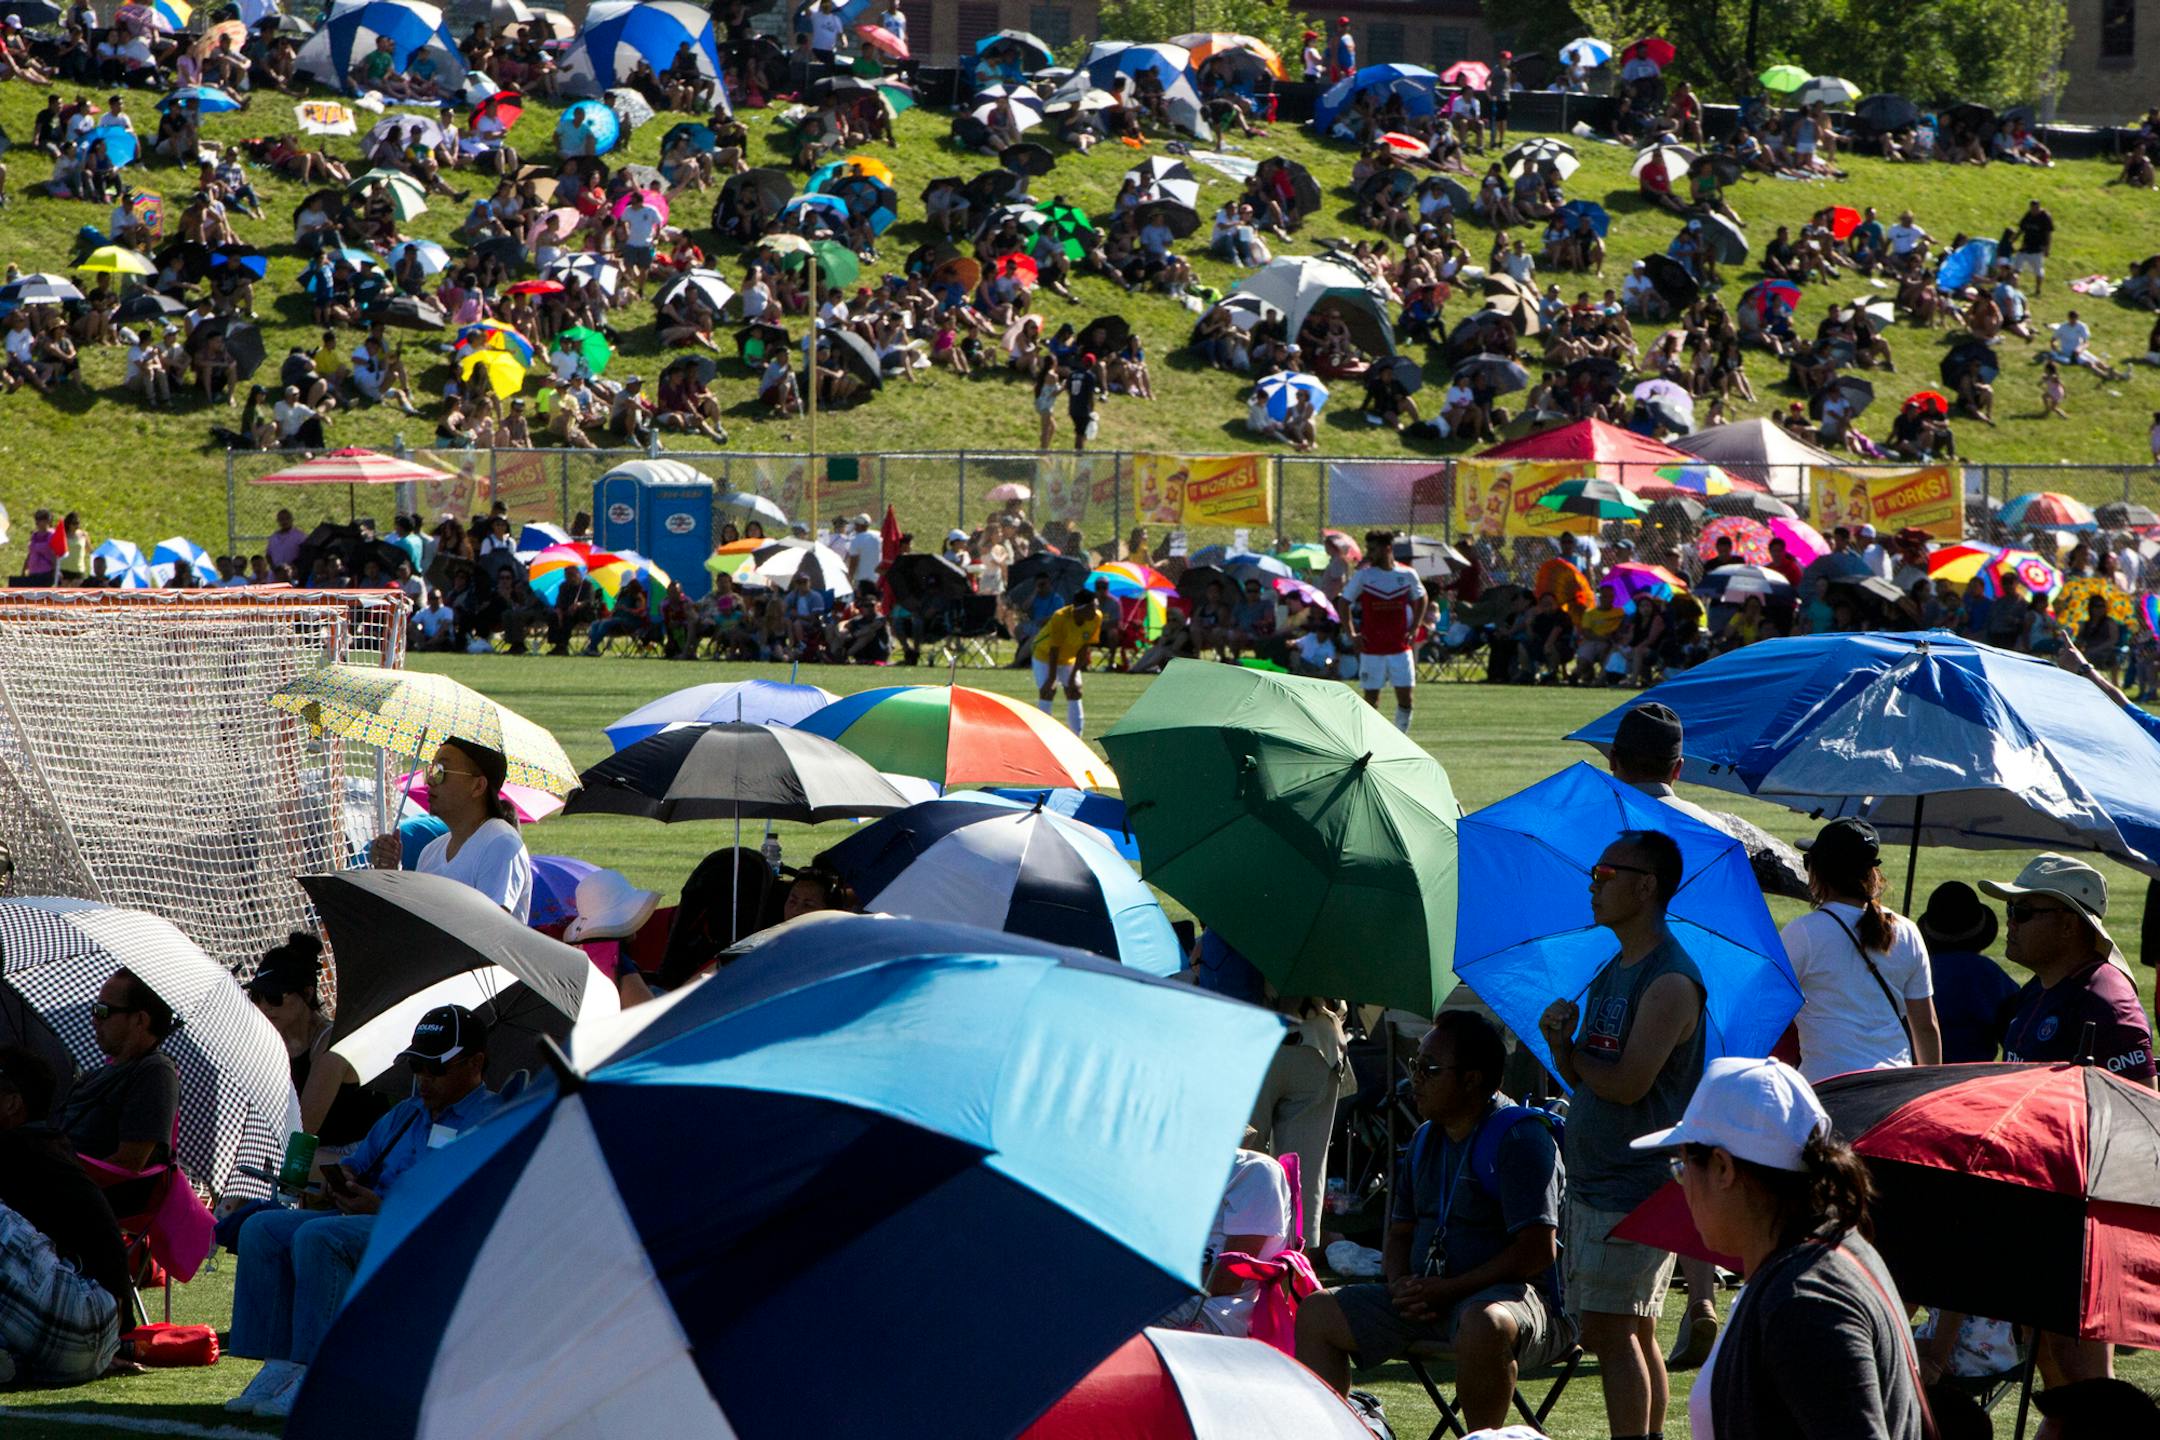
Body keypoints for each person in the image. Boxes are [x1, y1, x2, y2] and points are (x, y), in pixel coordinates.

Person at [1296, 1011, 1572, 1431]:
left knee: (1484, 1325)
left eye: (1429, 1069)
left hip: (1518, 1303)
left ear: (1472, 1080)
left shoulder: (1521, 1139)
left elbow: (1537, 1251)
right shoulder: (1426, 1136)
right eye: (1414, 1066)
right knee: (1317, 1314)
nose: (1414, 1080)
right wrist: (1399, 1284)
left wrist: (1448, 1290)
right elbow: (1400, 1232)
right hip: (1431, 1299)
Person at [224, 1006, 501, 1419]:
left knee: (316, 1237)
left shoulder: (494, 1118)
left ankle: (318, 1371)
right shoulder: (406, 1113)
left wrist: (383, 1207)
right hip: (372, 1219)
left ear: (476, 1063)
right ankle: (280, 1363)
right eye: (417, 1066)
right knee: (262, 1228)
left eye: (435, 1069)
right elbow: (362, 1161)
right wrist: (347, 1182)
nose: (423, 1079)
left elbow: (470, 1209)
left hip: (429, 1237)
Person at [1634, 1056, 1927, 1440]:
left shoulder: (1804, 1301)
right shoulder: (1821, 1256)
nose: (1681, 1184)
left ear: (1722, 1167)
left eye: (1683, 1165)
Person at [1538, 830, 1705, 1440]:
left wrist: (1574, 1055)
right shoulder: (1617, 965)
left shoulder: (1668, 981)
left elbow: (1629, 1084)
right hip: (1603, 1181)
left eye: (1609, 874)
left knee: (1610, 1331)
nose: (1594, 884)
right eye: (1595, 872)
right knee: (1632, 1329)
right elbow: (1592, 1079)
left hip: (1632, 1185)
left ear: (1647, 886)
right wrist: (1564, 1046)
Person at [0, 1045, 132, 1386]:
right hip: (99, 1331)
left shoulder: (14, 1153)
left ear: (12, 1103)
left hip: (76, 1320)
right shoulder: (45, 1147)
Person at [1779, 818, 1941, 1081]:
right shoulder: (1908, 930)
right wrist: (1927, 1089)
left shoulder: (1803, 933)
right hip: (1895, 1086)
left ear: (1818, 871)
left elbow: (1767, 1011)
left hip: (1828, 1085)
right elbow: (1925, 1026)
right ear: (1871, 872)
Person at [245, 932, 388, 1150]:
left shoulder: (330, 1044)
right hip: (314, 1154)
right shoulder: (271, 1040)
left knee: (276, 1163)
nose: (264, 1006)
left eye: (274, 996)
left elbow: (301, 1133)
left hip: (359, 1155)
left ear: (308, 993)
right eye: (256, 996)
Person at [368, 737, 532, 922]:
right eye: (431, 770)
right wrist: (389, 873)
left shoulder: (501, 844)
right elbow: (416, 923)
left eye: (441, 771)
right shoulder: (430, 852)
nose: (430, 780)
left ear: (477, 786)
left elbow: (490, 931)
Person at [55, 967, 179, 1173]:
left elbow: (127, 1164)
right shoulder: (98, 1074)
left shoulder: (156, 1072)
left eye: (103, 1010)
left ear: (140, 1020)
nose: (94, 1020)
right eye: (94, 1009)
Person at [1913, 881, 2019, 1063]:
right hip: (1974, 1078)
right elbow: (2017, 1032)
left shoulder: (1917, 971)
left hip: (1917, 1074)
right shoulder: (1990, 974)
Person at [1340, 528, 1427, 733]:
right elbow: (1344, 603)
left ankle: (1401, 739)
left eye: (1373, 549)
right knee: (1371, 700)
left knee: (1406, 698)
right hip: (1372, 649)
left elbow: (1422, 597)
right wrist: (1351, 633)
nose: (1369, 553)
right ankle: (1370, 740)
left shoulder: (1406, 574)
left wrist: (1415, 626)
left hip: (1400, 647)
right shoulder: (1365, 575)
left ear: (1387, 549)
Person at [1031, 587, 1100, 737]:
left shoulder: (1096, 618)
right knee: (1048, 691)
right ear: (1080, 608)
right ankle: (1043, 736)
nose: (1095, 612)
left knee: (1075, 690)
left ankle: (1077, 737)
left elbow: (1084, 647)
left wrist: (1073, 675)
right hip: (1044, 656)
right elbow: (1054, 650)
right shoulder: (1060, 617)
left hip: (1068, 658)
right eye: (1092, 608)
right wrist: (1051, 678)